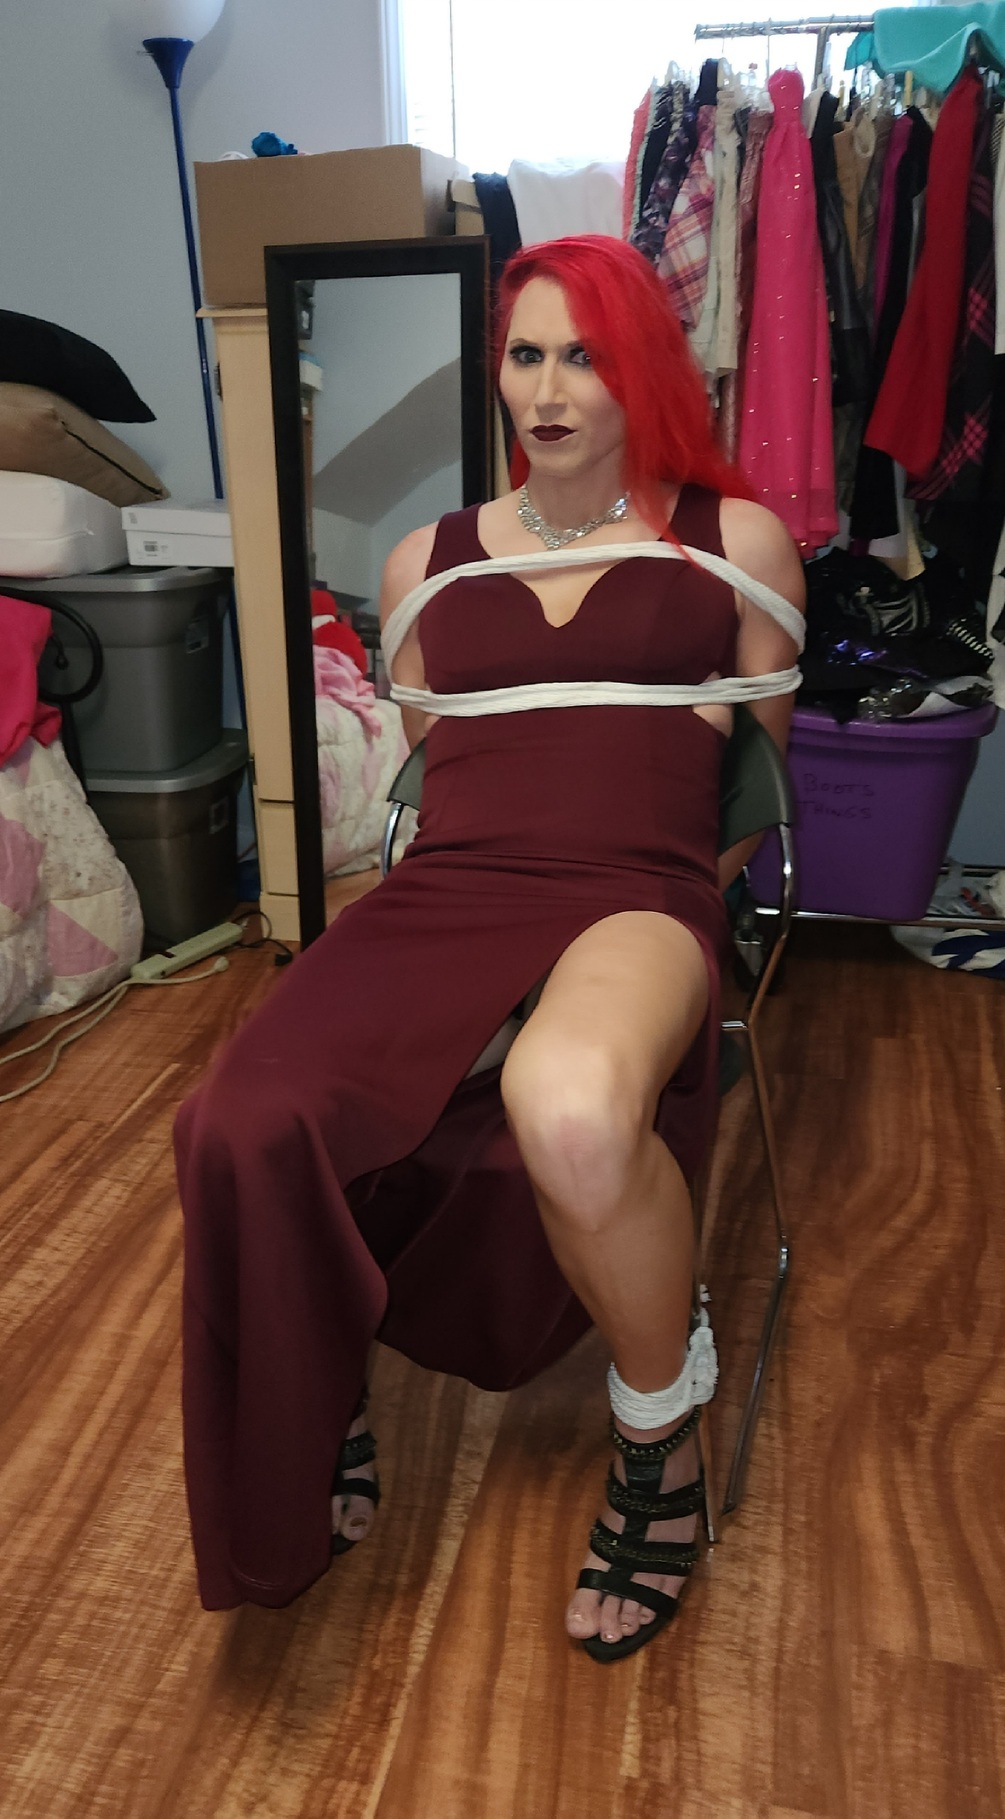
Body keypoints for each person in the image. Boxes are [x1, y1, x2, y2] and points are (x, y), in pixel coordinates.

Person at [174, 235, 805, 1663]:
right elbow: (437, 769)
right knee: (237, 1120)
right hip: (456, 887)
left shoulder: (736, 540)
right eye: (526, 355)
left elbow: (749, 783)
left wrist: (677, 919)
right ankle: (308, 1390)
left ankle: (659, 1441)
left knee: (567, 1102)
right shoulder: (425, 560)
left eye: (586, 355)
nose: (550, 390)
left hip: (642, 885)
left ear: (643, 369)